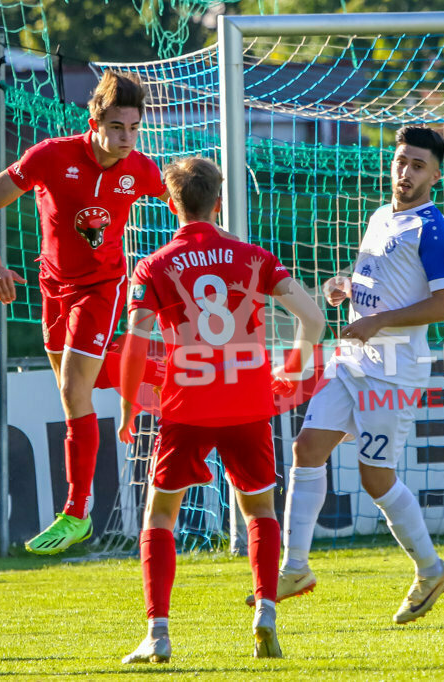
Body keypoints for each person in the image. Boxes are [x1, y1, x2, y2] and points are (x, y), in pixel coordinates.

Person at [117, 156, 324, 663]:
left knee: (160, 516)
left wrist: (129, 409)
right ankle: (265, 613)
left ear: (171, 203)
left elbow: (135, 346)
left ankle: (158, 634)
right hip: (248, 405)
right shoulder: (253, 255)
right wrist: (292, 372)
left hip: (186, 407)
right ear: (220, 202)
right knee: (259, 511)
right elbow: (314, 319)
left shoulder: (154, 265)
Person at [249, 125, 444, 624]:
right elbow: (384, 283)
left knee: (375, 479)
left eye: (418, 166)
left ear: (436, 175)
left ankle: (431, 569)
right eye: (401, 161)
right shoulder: (380, 216)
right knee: (307, 449)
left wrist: (379, 320)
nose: (406, 172)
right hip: (352, 363)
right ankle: (296, 567)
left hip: (393, 374)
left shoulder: (432, 228)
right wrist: (348, 285)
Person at [0, 70, 168, 555]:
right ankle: (154, 370)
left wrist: (209, 244)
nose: (127, 139)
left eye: (134, 129)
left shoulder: (139, 168)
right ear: (95, 120)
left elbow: (184, 203)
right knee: (74, 390)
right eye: (118, 127)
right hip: (52, 287)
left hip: (102, 288)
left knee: (71, 387)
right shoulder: (52, 156)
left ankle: (77, 512)